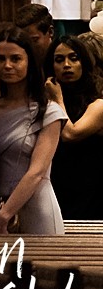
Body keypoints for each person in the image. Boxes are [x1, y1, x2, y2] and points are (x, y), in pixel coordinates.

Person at [0, 29, 66, 234]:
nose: (7, 65)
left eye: (16, 58)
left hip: (37, 206)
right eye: (0, 59)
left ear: (29, 62)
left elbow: (37, 171)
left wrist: (5, 214)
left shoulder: (49, 111)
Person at [48, 35, 103, 219]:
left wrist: (57, 100)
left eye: (73, 58)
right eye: (59, 59)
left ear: (84, 63)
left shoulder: (97, 104)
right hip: (55, 188)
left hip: (89, 194)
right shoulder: (44, 101)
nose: (66, 65)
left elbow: (70, 134)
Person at [16, 3, 56, 68]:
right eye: (22, 43)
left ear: (50, 32)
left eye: (34, 40)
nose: (27, 48)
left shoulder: (63, 61)